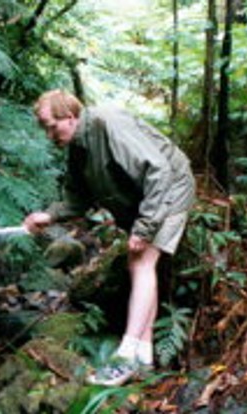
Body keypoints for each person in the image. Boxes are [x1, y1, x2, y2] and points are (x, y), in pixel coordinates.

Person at [23, 89, 196, 386]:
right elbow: (78, 198)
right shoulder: (78, 146)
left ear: (70, 116)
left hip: (170, 190)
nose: (50, 135)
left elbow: (159, 171)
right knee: (139, 266)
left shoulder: (109, 123)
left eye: (52, 126)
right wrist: (49, 216)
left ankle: (126, 356)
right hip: (144, 200)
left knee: (141, 263)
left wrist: (144, 228)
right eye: (45, 129)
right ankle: (144, 356)